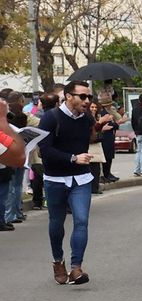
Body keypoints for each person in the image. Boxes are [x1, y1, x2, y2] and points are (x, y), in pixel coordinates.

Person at [36, 81, 99, 285]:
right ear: (68, 96)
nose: (87, 101)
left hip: (81, 178)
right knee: (56, 223)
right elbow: (45, 151)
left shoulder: (86, 118)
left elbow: (85, 141)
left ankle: (76, 268)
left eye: (89, 97)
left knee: (81, 221)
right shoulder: (50, 118)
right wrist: (72, 158)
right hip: (55, 179)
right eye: (83, 97)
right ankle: (57, 261)